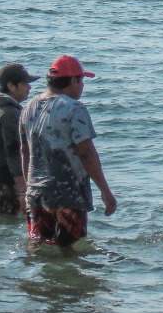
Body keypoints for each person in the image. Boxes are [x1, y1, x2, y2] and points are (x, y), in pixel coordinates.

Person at [19, 55, 118, 246]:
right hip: (68, 196)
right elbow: (86, 152)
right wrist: (106, 192)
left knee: (39, 249)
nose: (82, 87)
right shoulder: (74, 108)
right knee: (70, 252)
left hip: (37, 196)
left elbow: (24, 152)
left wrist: (27, 189)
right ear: (72, 81)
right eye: (81, 81)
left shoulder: (28, 108)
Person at [0, 62, 39, 215]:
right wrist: (22, 191)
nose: (29, 87)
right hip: (3, 185)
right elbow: (13, 152)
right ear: (11, 86)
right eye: (25, 84)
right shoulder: (10, 114)